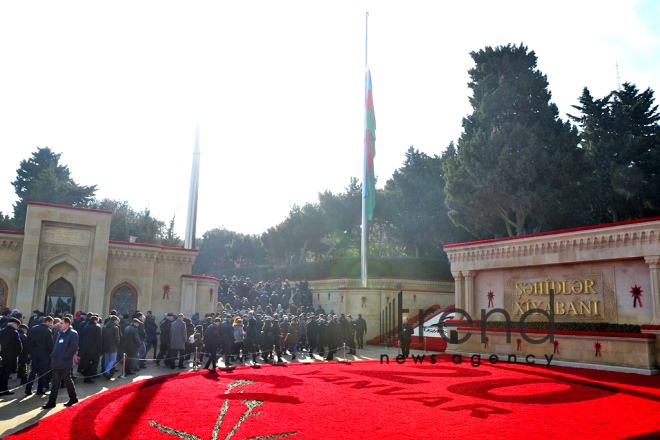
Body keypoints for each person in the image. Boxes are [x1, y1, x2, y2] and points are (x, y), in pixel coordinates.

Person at [42, 317, 78, 408]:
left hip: (65, 362)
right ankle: (51, 401)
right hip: (56, 362)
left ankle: (73, 397)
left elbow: (73, 347)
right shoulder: (60, 333)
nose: (59, 325)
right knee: (55, 383)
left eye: (61, 323)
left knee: (67, 381)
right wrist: (53, 355)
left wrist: (65, 357)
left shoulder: (73, 334)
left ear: (67, 324)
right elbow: (56, 346)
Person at [25, 316, 54, 395]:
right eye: (51, 322)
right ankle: (39, 389)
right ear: (47, 322)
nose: (52, 324)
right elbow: (50, 344)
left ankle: (28, 388)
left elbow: (28, 341)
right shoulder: (48, 331)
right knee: (42, 372)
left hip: (34, 353)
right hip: (44, 354)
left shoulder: (33, 328)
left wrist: (29, 352)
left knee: (33, 371)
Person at [0, 318, 23, 395]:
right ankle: (4, 389)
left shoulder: (2, 331)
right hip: (12, 356)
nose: (18, 327)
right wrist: (18, 353)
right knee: (7, 373)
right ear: (13, 324)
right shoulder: (14, 333)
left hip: (3, 355)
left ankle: (1, 388)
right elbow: (19, 345)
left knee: (3, 372)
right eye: (17, 325)